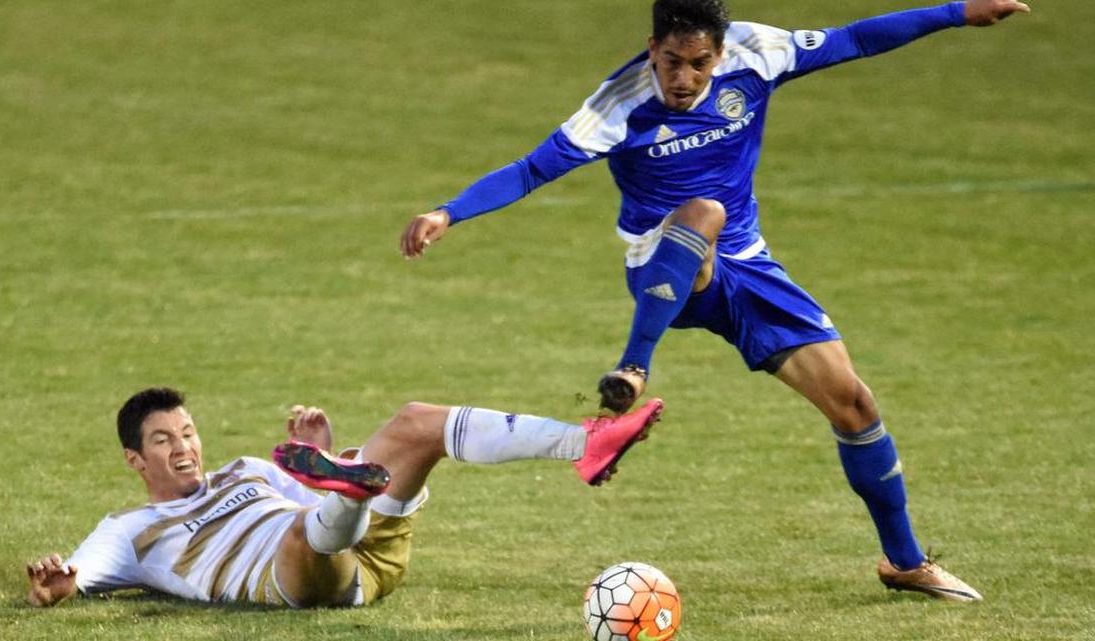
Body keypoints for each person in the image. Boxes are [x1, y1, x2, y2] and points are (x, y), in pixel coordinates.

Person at [400, 0, 1030, 601]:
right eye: (672, 60)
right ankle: (634, 366)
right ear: (652, 49)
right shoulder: (619, 105)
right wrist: (448, 212)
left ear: (719, 53)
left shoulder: (756, 54)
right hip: (660, 264)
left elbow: (854, 39)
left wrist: (957, 14)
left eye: (698, 62)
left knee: (854, 406)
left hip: (748, 266)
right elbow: (531, 169)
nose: (684, 76)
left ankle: (904, 561)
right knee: (704, 211)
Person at [25, 387, 663, 607]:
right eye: (163, 441)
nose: (184, 445)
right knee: (303, 531)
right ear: (135, 460)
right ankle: (345, 487)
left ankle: (586, 443)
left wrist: (320, 459)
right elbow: (72, 579)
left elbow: (298, 490)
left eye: (187, 431)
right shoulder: (129, 530)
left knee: (417, 421)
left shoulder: (245, 469)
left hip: (365, 550)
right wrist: (55, 584)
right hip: (302, 575)